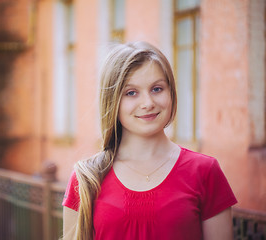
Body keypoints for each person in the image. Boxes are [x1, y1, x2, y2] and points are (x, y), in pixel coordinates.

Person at [62, 41, 237, 240]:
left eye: (157, 89)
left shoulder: (205, 172)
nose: (148, 103)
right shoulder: (86, 179)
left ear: (171, 92)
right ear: (112, 101)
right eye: (131, 93)